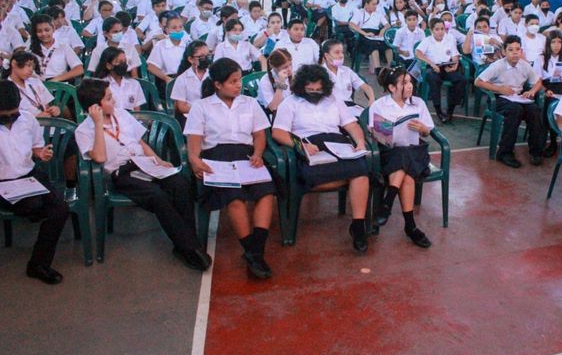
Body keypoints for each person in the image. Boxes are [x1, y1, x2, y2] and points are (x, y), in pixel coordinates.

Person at [75, 78, 209, 271]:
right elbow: (100, 157)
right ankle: (191, 248)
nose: (114, 102)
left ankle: (185, 246)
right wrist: (97, 124)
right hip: (122, 173)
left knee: (180, 183)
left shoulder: (121, 114)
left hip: (145, 164)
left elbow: (141, 143)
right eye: (109, 99)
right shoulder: (84, 130)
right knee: (158, 196)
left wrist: (158, 160)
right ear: (95, 107)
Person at [184, 58, 276, 278]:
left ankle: (257, 251)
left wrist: (257, 154)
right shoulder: (201, 107)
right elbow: (194, 140)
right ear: (218, 84)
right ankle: (250, 251)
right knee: (235, 198)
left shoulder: (250, 103)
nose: (238, 85)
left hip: (245, 155)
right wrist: (194, 160)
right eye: (233, 81)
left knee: (267, 193)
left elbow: (259, 135)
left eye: (239, 80)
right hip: (216, 158)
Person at [271, 64, 372, 252]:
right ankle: (344, 182)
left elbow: (351, 124)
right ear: (301, 87)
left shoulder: (334, 100)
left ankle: (357, 225)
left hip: (337, 144)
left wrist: (359, 142)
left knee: (361, 170)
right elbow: (278, 132)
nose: (315, 93)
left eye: (318, 90)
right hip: (309, 146)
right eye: (310, 90)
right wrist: (301, 145)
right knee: (315, 174)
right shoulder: (290, 103)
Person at [0, 80, 68, 284]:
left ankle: (38, 264)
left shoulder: (28, 119)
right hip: (2, 182)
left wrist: (41, 153)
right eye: (4, 116)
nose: (11, 119)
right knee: (34, 205)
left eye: (14, 114)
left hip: (29, 175)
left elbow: (36, 147)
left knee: (60, 209)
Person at [369, 67, 435, 248]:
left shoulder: (418, 103)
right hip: (389, 153)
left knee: (405, 154)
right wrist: (384, 132)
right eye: (404, 83)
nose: (409, 86)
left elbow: (428, 131)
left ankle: (387, 203)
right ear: (391, 87)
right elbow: (375, 135)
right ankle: (410, 226)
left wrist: (422, 128)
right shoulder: (379, 105)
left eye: (410, 82)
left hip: (415, 152)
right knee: (406, 174)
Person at [475, 35, 546, 168]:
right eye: (511, 49)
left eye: (517, 49)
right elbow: (478, 82)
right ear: (504, 52)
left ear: (521, 51)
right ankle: (505, 152)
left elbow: (537, 82)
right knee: (515, 111)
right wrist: (499, 88)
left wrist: (532, 92)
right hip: (499, 98)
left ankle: (536, 151)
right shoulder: (497, 66)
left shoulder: (524, 65)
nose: (514, 53)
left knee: (534, 110)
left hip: (517, 97)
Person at [417, 18, 466, 124]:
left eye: (442, 29)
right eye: (437, 29)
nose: (440, 32)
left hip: (447, 67)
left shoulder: (449, 40)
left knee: (461, 80)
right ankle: (438, 110)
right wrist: (431, 63)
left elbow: (455, 55)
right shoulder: (427, 41)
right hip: (433, 67)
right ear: (432, 30)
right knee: (433, 79)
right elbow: (418, 53)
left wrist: (455, 64)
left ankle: (450, 109)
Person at [321, 39, 374, 113]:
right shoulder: (319, 73)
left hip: (349, 108)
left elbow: (366, 88)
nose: (341, 56)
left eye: (342, 52)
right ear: (326, 55)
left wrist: (371, 101)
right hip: (329, 110)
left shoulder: (347, 71)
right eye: (337, 53)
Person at [28, 14, 84, 83]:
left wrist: (55, 80)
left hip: (58, 85)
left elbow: (79, 69)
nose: (44, 34)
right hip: (35, 84)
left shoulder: (63, 46)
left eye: (47, 30)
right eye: (39, 31)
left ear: (53, 29)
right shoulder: (30, 47)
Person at [5, 52, 61, 119]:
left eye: (33, 67)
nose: (31, 70)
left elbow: (47, 107)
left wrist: (54, 110)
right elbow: (8, 117)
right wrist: (34, 118)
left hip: (46, 123)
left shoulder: (35, 82)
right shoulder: (5, 87)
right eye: (28, 65)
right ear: (14, 64)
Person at [171, 41, 211, 126]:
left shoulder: (214, 75)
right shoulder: (182, 79)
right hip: (190, 115)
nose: (206, 59)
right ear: (190, 59)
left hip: (212, 115)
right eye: (201, 57)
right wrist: (201, 111)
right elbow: (181, 107)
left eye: (208, 55)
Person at [93, 47, 146, 111]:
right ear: (109, 65)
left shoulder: (134, 84)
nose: (123, 65)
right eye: (119, 62)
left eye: (124, 61)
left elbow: (137, 112)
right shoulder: (100, 85)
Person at [350, 0, 391, 75]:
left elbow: (387, 25)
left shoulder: (378, 13)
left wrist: (383, 30)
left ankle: (389, 67)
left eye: (376, 4)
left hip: (377, 34)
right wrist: (365, 33)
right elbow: (351, 24)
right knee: (373, 46)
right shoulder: (360, 12)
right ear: (366, 4)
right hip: (364, 34)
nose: (375, 6)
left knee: (388, 46)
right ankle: (378, 70)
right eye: (373, 4)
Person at [147, 12, 191, 85]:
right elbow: (151, 67)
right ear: (167, 30)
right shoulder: (160, 45)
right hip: (168, 79)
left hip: (186, 79)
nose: (178, 30)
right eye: (174, 28)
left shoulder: (187, 45)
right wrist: (166, 78)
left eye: (180, 27)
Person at [257, 48, 292, 114]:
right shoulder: (265, 81)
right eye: (285, 67)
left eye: (290, 64)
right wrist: (281, 84)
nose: (290, 69)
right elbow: (273, 107)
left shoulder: (293, 76)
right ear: (274, 67)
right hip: (272, 115)